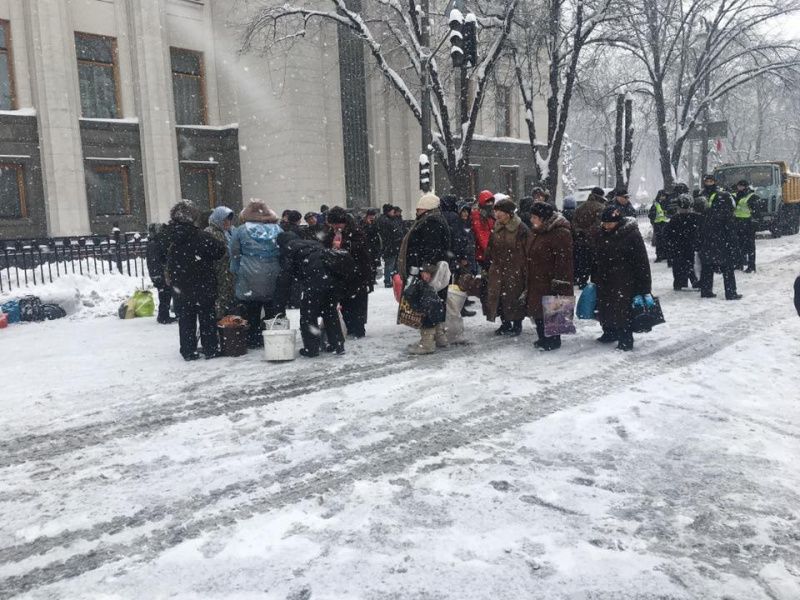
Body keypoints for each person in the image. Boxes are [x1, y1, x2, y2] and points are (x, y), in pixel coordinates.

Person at [165, 200, 226, 361]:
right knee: (207, 317)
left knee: (185, 319)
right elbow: (220, 251)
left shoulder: (168, 236)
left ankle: (188, 350)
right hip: (203, 283)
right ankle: (210, 348)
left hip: (180, 285)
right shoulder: (202, 237)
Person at [275, 232, 345, 357]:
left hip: (315, 280)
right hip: (333, 278)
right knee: (330, 311)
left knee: (308, 313)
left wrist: (279, 302)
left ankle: (311, 349)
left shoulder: (288, 249)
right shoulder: (312, 243)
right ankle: (338, 344)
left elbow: (285, 278)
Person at [397, 193, 452, 349]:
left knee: (426, 303)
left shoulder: (430, 222)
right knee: (435, 303)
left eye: (419, 208)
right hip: (431, 270)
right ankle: (440, 337)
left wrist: (426, 268)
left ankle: (427, 343)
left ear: (426, 208)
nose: (416, 211)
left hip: (426, 271)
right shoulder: (434, 220)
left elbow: (431, 248)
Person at [594, 205, 652, 351]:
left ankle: (626, 339)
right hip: (605, 278)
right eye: (604, 223)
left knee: (623, 310)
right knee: (606, 305)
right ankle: (610, 332)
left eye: (610, 223)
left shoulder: (631, 235)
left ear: (618, 221)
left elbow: (641, 262)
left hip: (625, 280)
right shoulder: (601, 234)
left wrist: (644, 287)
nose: (606, 226)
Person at [230, 200, 283, 348]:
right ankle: (273, 338)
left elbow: (234, 251)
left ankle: (253, 338)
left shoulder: (241, 230)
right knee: (272, 309)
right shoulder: (277, 229)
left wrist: (235, 268)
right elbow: (284, 250)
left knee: (251, 308)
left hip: (249, 273)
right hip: (273, 272)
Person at [524, 201, 573, 351]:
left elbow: (564, 260)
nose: (531, 220)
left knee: (554, 306)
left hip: (551, 278)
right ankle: (542, 338)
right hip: (537, 278)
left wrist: (559, 281)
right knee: (538, 310)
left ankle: (553, 340)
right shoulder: (536, 231)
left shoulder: (560, 232)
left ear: (544, 218)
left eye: (534, 217)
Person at [324, 206, 374, 339]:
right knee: (344, 302)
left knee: (358, 302)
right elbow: (325, 246)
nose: (335, 226)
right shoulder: (331, 232)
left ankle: (358, 328)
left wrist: (344, 245)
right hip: (341, 275)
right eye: (333, 224)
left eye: (337, 224)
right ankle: (349, 326)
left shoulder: (356, 231)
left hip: (357, 274)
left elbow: (362, 251)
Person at [484, 197, 529, 336]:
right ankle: (505, 323)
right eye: (496, 211)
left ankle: (517, 324)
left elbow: (527, 250)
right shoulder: (496, 227)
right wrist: (487, 265)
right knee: (499, 297)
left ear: (509, 213)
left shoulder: (521, 228)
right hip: (497, 268)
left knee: (514, 297)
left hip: (515, 269)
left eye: (500, 212)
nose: (496, 214)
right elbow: (490, 247)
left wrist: (525, 269)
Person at [698, 192, 742, 300]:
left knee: (707, 268)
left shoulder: (707, 213)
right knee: (727, 270)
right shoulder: (727, 214)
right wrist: (735, 249)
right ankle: (731, 292)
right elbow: (731, 234)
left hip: (708, 245)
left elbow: (700, 230)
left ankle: (706, 290)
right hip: (723, 246)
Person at [404, 264, 448, 355]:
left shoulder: (418, 285)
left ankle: (427, 346)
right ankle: (441, 339)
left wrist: (416, 308)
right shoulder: (427, 287)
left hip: (428, 308)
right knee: (435, 320)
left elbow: (409, 295)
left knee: (427, 324)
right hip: (436, 306)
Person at [204, 206, 237, 318]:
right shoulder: (210, 233)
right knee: (220, 304)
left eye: (229, 219)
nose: (227, 222)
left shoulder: (233, 231)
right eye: (224, 219)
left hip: (231, 274)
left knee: (232, 305)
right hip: (218, 274)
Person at [663, 195, 701, 291]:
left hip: (677, 245)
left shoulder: (675, 218)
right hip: (691, 244)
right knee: (690, 263)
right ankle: (694, 280)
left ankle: (678, 282)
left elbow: (666, 232)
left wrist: (670, 242)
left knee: (678, 264)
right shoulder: (696, 217)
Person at [572, 187, 606, 288]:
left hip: (580, 241)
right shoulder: (600, 207)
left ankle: (582, 281)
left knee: (583, 263)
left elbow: (574, 222)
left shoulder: (580, 207)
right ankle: (594, 284)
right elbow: (598, 225)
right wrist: (587, 232)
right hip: (594, 241)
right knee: (595, 264)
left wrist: (580, 232)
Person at [145, 222, 176, 324]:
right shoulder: (155, 244)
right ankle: (163, 316)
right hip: (159, 273)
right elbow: (155, 261)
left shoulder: (153, 243)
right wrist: (158, 274)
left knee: (164, 293)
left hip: (157, 273)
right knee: (165, 294)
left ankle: (163, 315)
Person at [733, 179, 759, 273]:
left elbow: (756, 212)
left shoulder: (752, 196)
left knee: (750, 246)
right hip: (738, 223)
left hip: (748, 224)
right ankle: (739, 264)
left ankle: (751, 266)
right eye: (739, 186)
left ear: (746, 187)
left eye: (741, 186)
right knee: (739, 245)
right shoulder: (737, 196)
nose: (739, 188)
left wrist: (754, 224)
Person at [376, 204, 404, 288]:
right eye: (392, 210)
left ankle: (394, 280)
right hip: (390, 246)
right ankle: (388, 280)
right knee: (390, 264)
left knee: (394, 264)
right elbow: (389, 234)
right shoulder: (385, 221)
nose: (393, 211)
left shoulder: (391, 219)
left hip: (394, 246)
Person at [471, 190, 495, 270]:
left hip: (487, 250)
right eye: (488, 202)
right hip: (482, 252)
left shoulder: (491, 214)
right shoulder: (477, 214)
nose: (490, 204)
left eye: (491, 202)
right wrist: (488, 249)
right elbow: (479, 233)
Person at [648, 190, 669, 263]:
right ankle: (659, 256)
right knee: (659, 241)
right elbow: (651, 214)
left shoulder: (667, 203)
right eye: (662, 196)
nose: (663, 197)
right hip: (658, 224)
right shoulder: (656, 204)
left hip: (665, 223)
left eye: (664, 196)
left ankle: (664, 255)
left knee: (665, 240)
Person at [361, 208, 383, 279]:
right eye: (370, 215)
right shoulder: (363, 222)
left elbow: (377, 231)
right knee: (368, 262)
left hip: (374, 245)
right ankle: (369, 277)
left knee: (374, 262)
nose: (371, 217)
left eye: (373, 215)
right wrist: (369, 226)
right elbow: (364, 232)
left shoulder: (375, 222)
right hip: (367, 245)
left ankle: (373, 277)